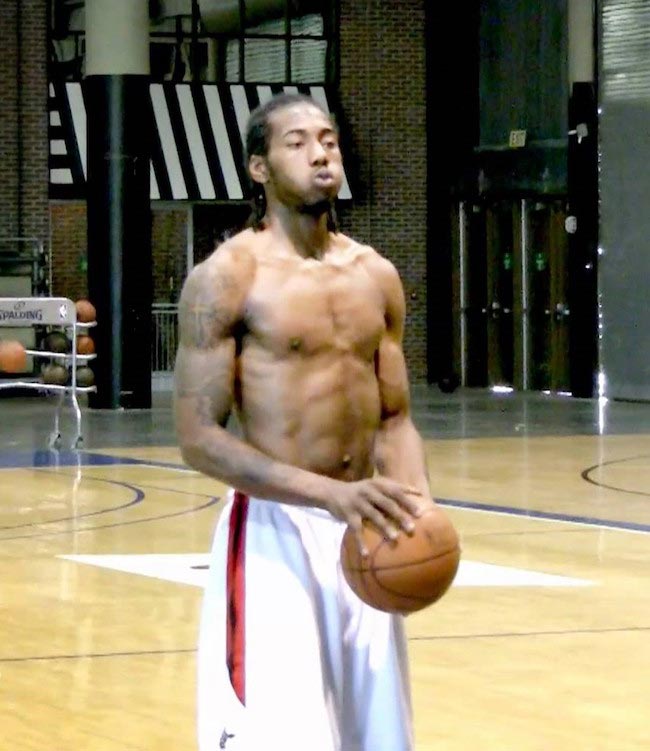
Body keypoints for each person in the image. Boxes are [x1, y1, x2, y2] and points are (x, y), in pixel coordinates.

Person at [174, 92, 433, 751]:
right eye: (298, 142)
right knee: (284, 738)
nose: (321, 152)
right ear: (258, 168)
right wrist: (330, 494)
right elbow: (199, 438)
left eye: (329, 139)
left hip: (365, 525)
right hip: (273, 528)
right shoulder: (228, 277)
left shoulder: (375, 274)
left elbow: (395, 421)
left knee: (380, 738)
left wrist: (417, 510)